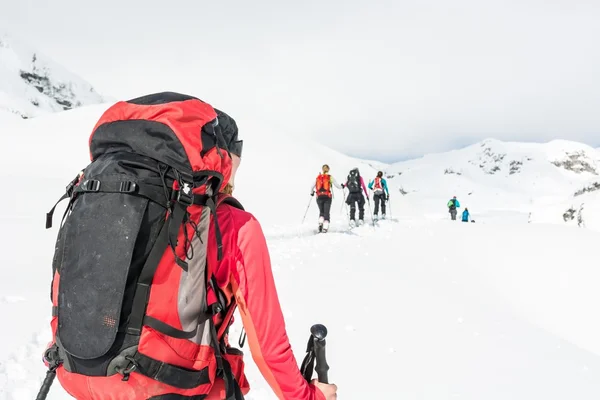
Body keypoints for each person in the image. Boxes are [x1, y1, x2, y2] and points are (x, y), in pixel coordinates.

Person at [207, 114, 337, 399]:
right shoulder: (236, 226)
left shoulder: (122, 214)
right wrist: (311, 397)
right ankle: (324, 222)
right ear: (226, 160)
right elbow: (268, 349)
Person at [311, 164, 342, 232]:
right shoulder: (329, 177)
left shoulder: (318, 177)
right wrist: (343, 186)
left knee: (321, 212)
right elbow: (338, 186)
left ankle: (320, 223)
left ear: (322, 169)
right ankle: (325, 227)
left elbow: (312, 186)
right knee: (326, 212)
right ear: (328, 169)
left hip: (319, 197)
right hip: (327, 197)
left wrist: (312, 193)